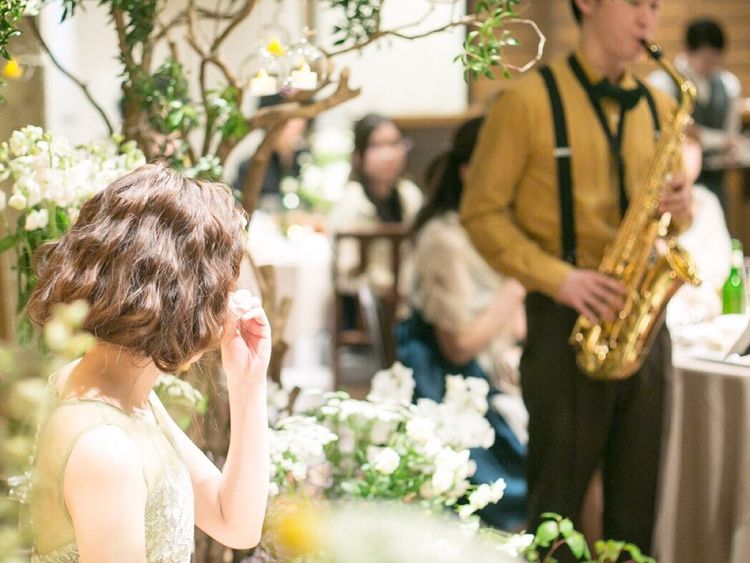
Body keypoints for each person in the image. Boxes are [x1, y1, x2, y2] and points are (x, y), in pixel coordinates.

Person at [460, 0, 693, 554]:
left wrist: (681, 209)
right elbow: (480, 213)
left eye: (655, 5)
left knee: (637, 513)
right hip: (563, 321)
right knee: (555, 516)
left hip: (643, 325)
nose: (648, 19)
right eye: (634, 3)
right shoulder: (526, 102)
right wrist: (561, 279)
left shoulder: (661, 106)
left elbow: (672, 219)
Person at [26, 164, 270, 561]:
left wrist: (248, 384)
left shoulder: (122, 397)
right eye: (223, 287)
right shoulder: (106, 448)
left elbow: (235, 524)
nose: (228, 305)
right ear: (186, 299)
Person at [398, 117, 528, 531]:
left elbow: (517, 329)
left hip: (496, 375)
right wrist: (515, 289)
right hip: (456, 390)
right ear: (470, 172)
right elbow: (457, 346)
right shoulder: (445, 239)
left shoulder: (490, 232)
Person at [328, 113, 422, 322]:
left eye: (394, 144)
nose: (388, 154)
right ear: (358, 155)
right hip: (367, 311)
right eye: (377, 145)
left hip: (413, 301)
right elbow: (347, 270)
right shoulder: (351, 201)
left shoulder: (410, 195)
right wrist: (391, 286)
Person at [648, 18, 742, 213]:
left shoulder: (729, 85)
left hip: (715, 180)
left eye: (716, 58)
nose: (712, 65)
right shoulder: (662, 83)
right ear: (687, 50)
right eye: (706, 59)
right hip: (676, 180)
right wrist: (719, 140)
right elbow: (683, 133)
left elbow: (732, 137)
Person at [234, 94, 310, 204]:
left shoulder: (306, 160)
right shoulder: (249, 166)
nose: (296, 125)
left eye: (300, 119)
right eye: (290, 120)